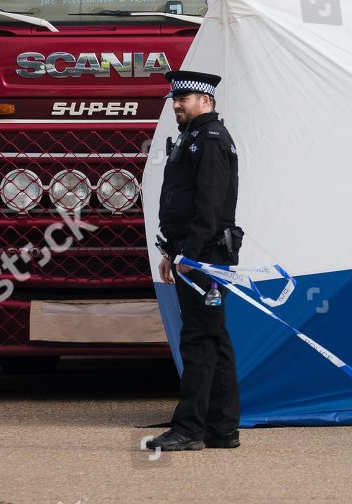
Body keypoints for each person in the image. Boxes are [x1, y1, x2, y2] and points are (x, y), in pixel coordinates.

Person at [147, 69, 242, 451]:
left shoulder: (212, 139)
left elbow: (210, 203)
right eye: (174, 99)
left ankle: (189, 429)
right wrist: (173, 251)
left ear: (206, 101)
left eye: (183, 99)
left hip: (205, 256)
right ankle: (221, 429)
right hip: (193, 252)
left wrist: (191, 253)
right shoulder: (194, 138)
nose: (176, 105)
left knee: (200, 341)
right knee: (214, 339)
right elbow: (183, 201)